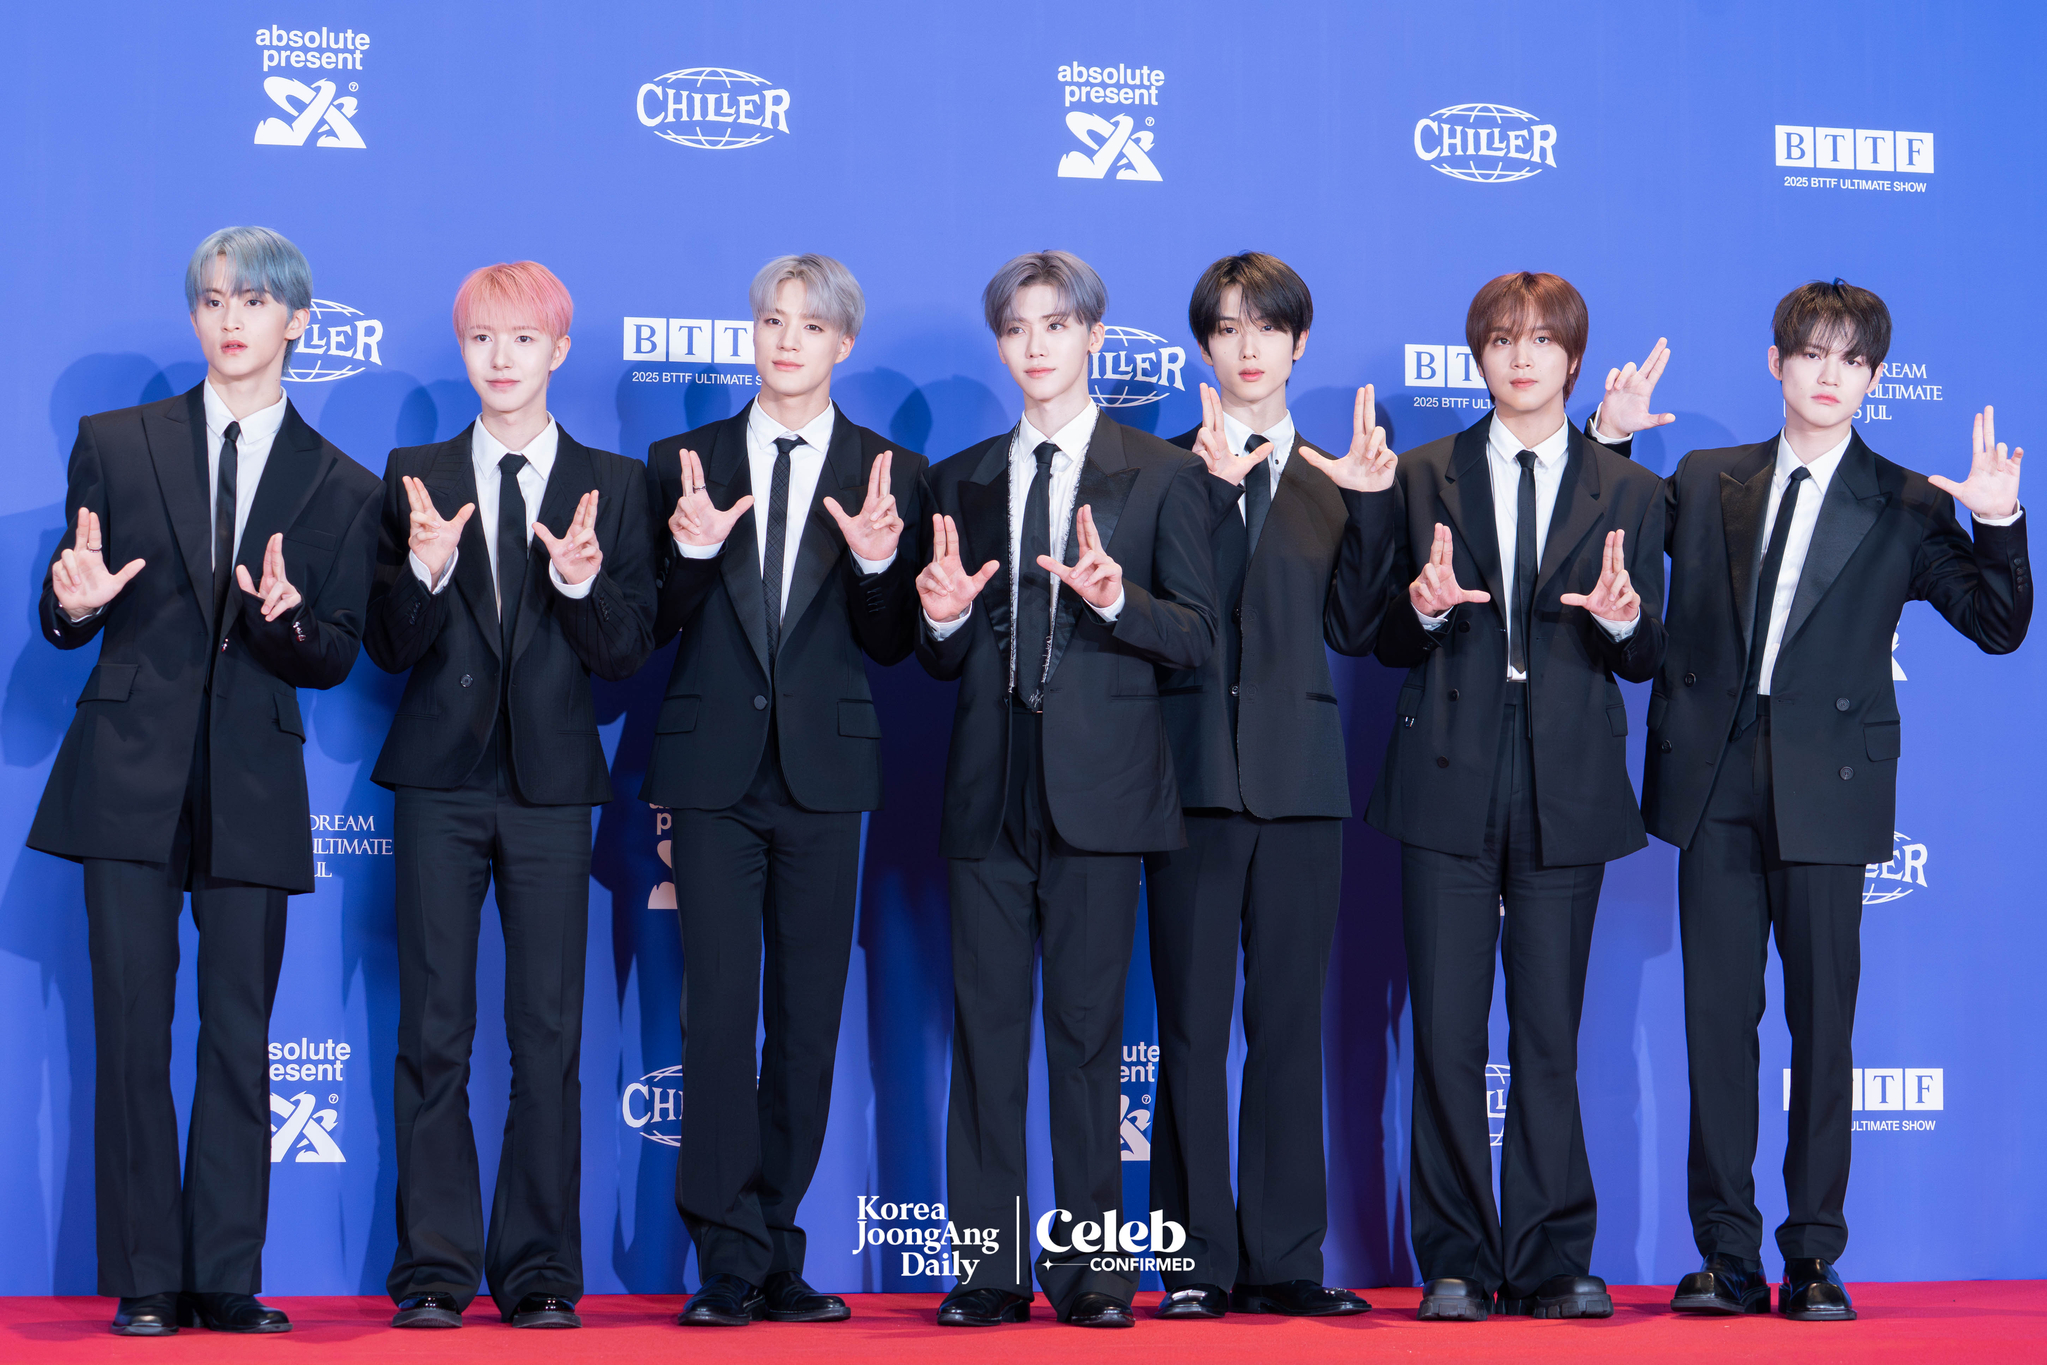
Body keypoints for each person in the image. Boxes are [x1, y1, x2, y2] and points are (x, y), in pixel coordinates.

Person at [1649, 280, 2028, 1323]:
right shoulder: (1705, 477)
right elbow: (1624, 574)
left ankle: (1812, 1257)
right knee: (1715, 1029)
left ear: (1871, 376)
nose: (1827, 373)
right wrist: (1605, 436)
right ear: (1775, 362)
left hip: (1832, 789)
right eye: (1809, 352)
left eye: (1850, 358)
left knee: (1823, 1030)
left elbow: (1998, 625)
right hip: (1715, 786)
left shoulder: (1906, 498)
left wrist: (1997, 522)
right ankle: (1724, 1257)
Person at [30, 226, 381, 1336]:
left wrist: (288, 625)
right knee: (130, 1031)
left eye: (254, 302)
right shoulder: (117, 443)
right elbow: (64, 610)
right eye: (214, 302)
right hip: (125, 774)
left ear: (298, 322)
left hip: (256, 783)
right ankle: (145, 1277)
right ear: (197, 319)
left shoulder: (341, 484)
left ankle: (226, 1275)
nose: (232, 320)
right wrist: (71, 605)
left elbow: (335, 654)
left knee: (241, 1034)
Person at [916, 250, 1217, 1329]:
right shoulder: (959, 480)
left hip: (1102, 791)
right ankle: (987, 1274)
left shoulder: (1161, 473)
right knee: (987, 1038)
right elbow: (936, 649)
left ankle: (1092, 1273)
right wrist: (942, 617)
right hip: (986, 793)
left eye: (1055, 325)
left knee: (1088, 1040)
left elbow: (1196, 636)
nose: (1035, 346)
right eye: (1015, 329)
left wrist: (1117, 600)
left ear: (1094, 334)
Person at [1368, 272, 1672, 1322]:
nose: (1521, 356)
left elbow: (1646, 656)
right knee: (1446, 1030)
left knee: (1550, 1028)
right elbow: (1372, 633)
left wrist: (1625, 623)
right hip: (1445, 768)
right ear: (1477, 355)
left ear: (1574, 360)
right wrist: (1418, 607)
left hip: (1567, 779)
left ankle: (1549, 1257)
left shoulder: (1630, 491)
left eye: (1543, 340)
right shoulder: (1422, 475)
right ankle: (1453, 1256)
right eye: (1501, 338)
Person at [365, 261, 654, 1330]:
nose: (500, 359)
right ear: (463, 349)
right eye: (482, 339)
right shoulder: (413, 473)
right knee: (433, 1032)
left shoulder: (612, 487)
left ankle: (538, 1273)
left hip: (549, 791)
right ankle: (434, 1272)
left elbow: (624, 656)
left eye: (522, 341)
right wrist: (427, 573)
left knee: (548, 1036)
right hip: (436, 783)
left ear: (558, 352)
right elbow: (386, 646)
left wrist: (580, 585)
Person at [643, 254, 926, 1327]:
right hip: (711, 775)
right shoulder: (683, 462)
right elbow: (646, 626)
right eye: (770, 320)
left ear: (843, 343)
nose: (787, 340)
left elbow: (897, 643)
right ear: (749, 334)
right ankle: (722, 1259)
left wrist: (869, 568)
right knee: (716, 1014)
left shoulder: (889, 469)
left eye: (810, 325)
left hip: (826, 775)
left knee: (807, 1023)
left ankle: (776, 1249)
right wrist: (688, 556)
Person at [1143, 252, 1391, 1321]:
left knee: (1288, 1024)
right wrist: (1206, 490)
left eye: (1267, 329)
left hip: (1300, 786)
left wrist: (1376, 511)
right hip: (1188, 782)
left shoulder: (1342, 479)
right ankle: (1194, 1264)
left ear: (1299, 344)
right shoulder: (1159, 473)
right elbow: (1161, 628)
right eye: (1227, 330)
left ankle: (1287, 1260)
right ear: (1203, 347)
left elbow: (1357, 626)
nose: (1247, 349)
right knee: (1194, 1029)